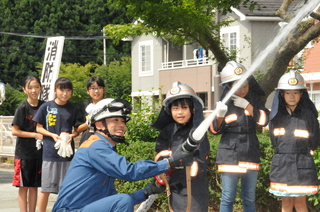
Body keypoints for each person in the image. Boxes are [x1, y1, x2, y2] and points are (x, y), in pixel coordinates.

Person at [52, 98, 195, 212]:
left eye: (122, 120)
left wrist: (147, 191)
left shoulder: (105, 149)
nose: (121, 125)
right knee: (123, 201)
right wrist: (169, 163)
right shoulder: (96, 147)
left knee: (121, 200)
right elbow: (129, 172)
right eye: (115, 120)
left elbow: (114, 200)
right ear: (100, 125)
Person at [209, 61, 269, 212]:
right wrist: (219, 116)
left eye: (245, 85)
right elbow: (214, 131)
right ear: (229, 86)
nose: (243, 90)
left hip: (250, 153)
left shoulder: (254, 99)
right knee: (228, 197)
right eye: (238, 86)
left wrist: (248, 106)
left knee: (249, 197)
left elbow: (264, 121)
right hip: (229, 154)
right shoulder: (223, 102)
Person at [151, 81, 210, 212]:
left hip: (195, 189)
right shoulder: (168, 130)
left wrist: (186, 163)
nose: (179, 112)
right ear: (169, 110)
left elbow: (201, 159)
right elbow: (160, 153)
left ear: (192, 109)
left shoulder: (198, 132)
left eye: (184, 107)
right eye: (175, 108)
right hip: (175, 188)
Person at [268, 70, 319, 212]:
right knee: (286, 204)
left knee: (301, 204)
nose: (292, 96)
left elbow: (314, 139)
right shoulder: (276, 116)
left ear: (302, 94)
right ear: (282, 94)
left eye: (296, 92)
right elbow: (274, 140)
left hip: (302, 163)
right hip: (282, 163)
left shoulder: (308, 115)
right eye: (288, 93)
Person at [32, 77, 83, 212]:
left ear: (71, 92)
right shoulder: (46, 107)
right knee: (46, 189)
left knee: (66, 190)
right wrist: (52, 135)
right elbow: (38, 128)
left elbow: (77, 129)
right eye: (62, 90)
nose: (64, 94)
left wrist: (72, 135)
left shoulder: (73, 109)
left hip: (67, 155)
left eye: (68, 90)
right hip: (49, 154)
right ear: (55, 90)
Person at [11, 75, 44, 212]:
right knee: (23, 186)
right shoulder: (22, 108)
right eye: (30, 88)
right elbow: (15, 131)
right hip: (24, 154)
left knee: (34, 186)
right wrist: (35, 134)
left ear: (41, 88)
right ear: (24, 90)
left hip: (39, 154)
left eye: (36, 87)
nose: (33, 90)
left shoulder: (44, 106)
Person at [78, 76, 106, 146]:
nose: (96, 91)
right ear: (88, 91)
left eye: (99, 88)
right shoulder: (84, 105)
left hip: (105, 141)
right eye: (93, 88)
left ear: (104, 89)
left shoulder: (109, 104)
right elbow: (78, 129)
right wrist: (89, 122)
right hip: (87, 141)